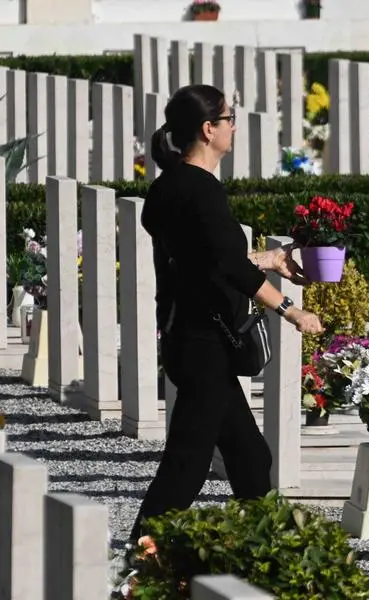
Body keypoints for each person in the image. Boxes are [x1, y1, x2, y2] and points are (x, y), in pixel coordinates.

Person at [129, 84, 325, 543]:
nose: (234, 126)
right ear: (207, 129)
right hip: (206, 346)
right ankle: (137, 562)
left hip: (187, 338)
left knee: (250, 457)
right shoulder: (202, 191)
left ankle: (265, 553)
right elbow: (226, 265)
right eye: (228, 119)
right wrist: (292, 311)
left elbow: (204, 257)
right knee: (186, 465)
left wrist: (269, 260)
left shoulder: (168, 186)